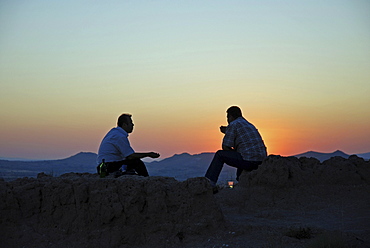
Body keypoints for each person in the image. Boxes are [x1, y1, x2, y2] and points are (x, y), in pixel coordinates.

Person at [205, 106, 267, 187]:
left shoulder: (233, 124)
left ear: (231, 116)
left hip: (249, 160)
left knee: (220, 155)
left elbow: (225, 147)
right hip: (261, 161)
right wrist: (227, 131)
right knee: (242, 154)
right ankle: (241, 183)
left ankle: (209, 183)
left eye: (227, 117)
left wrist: (227, 132)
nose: (227, 120)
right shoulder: (248, 124)